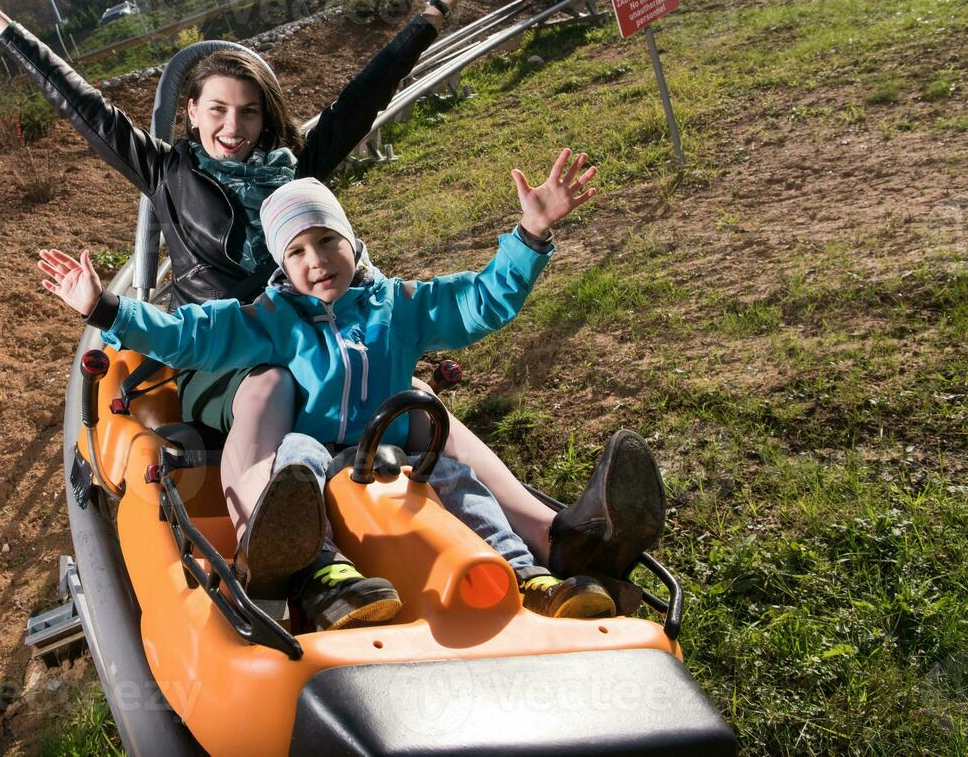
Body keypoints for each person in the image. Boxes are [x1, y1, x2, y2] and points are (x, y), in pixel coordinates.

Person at [0, 0, 656, 620]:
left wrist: (439, 5)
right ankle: (278, 531)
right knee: (271, 378)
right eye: (218, 110)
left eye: (249, 111)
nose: (234, 126)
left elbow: (365, 93)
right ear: (191, 113)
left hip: (318, 335)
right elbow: (80, 104)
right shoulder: (166, 171)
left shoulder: (296, 171)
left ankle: (554, 535)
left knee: (407, 394)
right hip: (226, 350)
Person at [38, 151, 665, 629]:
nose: (317, 261)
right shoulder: (273, 320)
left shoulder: (397, 305)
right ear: (283, 267)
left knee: (458, 482)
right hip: (318, 452)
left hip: (391, 454)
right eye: (299, 252)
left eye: (327, 241)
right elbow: (192, 335)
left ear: (351, 242)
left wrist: (529, 237)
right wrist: (106, 309)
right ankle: (318, 569)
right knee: (297, 467)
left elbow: (479, 302)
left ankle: (531, 576)